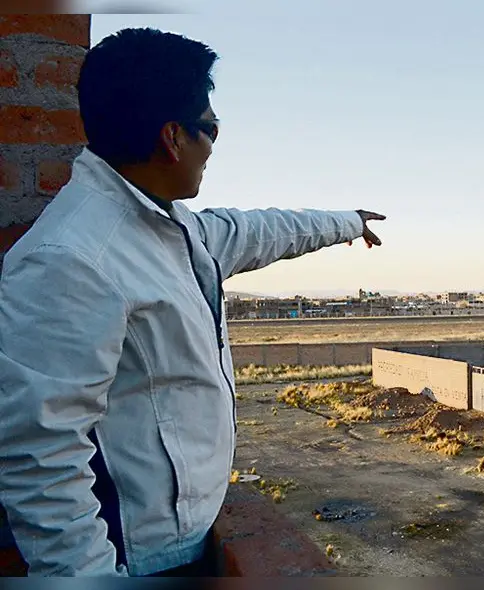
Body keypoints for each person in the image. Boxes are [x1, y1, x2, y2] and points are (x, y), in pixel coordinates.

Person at [0, 27, 385, 577]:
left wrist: (347, 223)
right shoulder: (73, 257)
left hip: (182, 539)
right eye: (212, 129)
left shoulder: (166, 226)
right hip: (135, 556)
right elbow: (39, 457)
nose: (214, 145)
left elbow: (259, 231)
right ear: (172, 138)